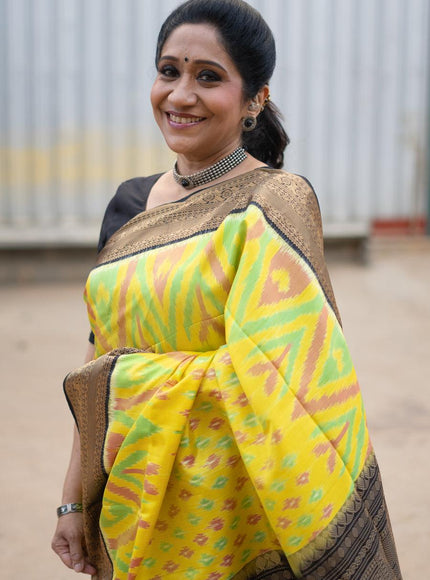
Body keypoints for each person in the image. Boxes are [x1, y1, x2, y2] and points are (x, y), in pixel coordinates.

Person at [52, 1, 402, 578]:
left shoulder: (275, 204)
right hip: (134, 500)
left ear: (255, 98)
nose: (181, 95)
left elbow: (292, 382)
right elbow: (98, 369)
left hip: (243, 513)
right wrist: (72, 500)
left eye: (208, 77)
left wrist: (136, 382)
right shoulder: (128, 206)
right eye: (169, 71)